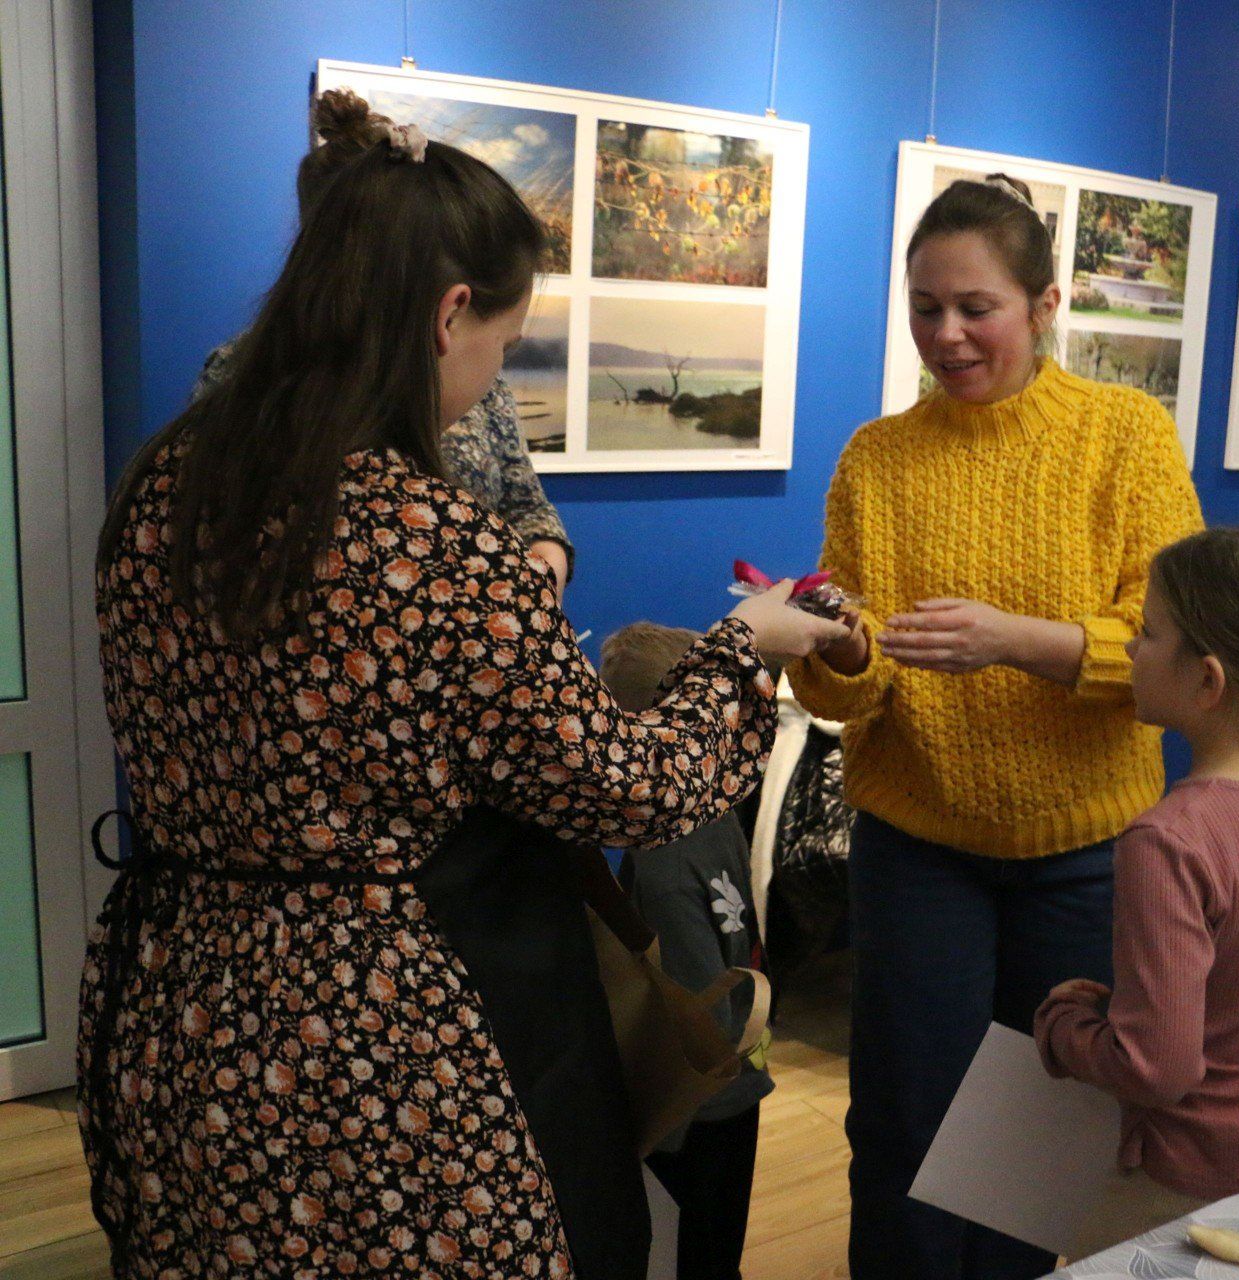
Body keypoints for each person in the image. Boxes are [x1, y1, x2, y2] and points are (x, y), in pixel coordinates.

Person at [81, 121, 845, 1278]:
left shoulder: (163, 489)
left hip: (182, 1000)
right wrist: (749, 646)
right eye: (503, 342)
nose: (494, 374)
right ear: (448, 314)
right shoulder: (432, 542)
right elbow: (628, 786)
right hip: (370, 1029)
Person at [787, 173, 1204, 1280]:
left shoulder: (1126, 437)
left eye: (977, 307)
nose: (947, 335)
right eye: (925, 307)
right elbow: (853, 690)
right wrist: (844, 653)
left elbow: (1169, 653)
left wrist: (1016, 640)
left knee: (1036, 1132)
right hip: (917, 845)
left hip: (1087, 851)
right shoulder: (876, 458)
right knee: (905, 1122)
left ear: (1046, 303)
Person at [1034, 529, 1239, 1257]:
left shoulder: (1169, 841)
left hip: (1193, 1190)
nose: (1130, 648)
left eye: (1147, 632)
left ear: (1208, 682)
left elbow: (1159, 1068)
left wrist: (1063, 1029)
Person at [195, 88, 574, 598]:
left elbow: (527, 505)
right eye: (504, 344)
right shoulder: (426, 527)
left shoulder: (157, 479)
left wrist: (540, 567)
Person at [601, 621, 774, 1280]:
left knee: (694, 1258)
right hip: (736, 1081)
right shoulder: (718, 813)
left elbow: (698, 1008)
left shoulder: (665, 858)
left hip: (696, 1109)